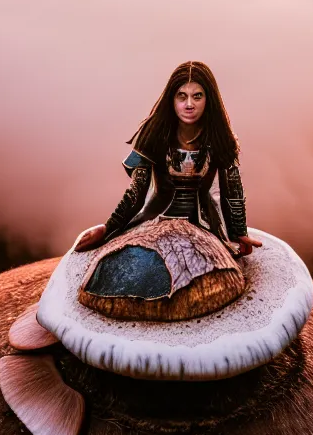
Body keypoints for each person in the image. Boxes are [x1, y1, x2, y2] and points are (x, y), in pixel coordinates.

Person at [73, 62, 262, 313]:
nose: (189, 104)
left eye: (197, 96)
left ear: (209, 99)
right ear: (171, 98)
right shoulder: (154, 134)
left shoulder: (219, 137)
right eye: (181, 96)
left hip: (203, 224)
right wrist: (108, 228)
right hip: (154, 219)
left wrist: (237, 231)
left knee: (210, 282)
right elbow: (136, 193)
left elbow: (232, 188)